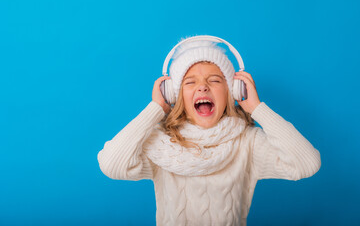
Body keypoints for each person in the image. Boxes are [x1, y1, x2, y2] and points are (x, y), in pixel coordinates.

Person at [97, 36, 321, 226]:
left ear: (232, 91)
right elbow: (112, 165)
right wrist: (156, 109)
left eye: (214, 80)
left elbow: (307, 164)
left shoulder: (247, 142)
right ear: (175, 96)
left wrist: (256, 108)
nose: (202, 87)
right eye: (190, 82)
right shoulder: (161, 143)